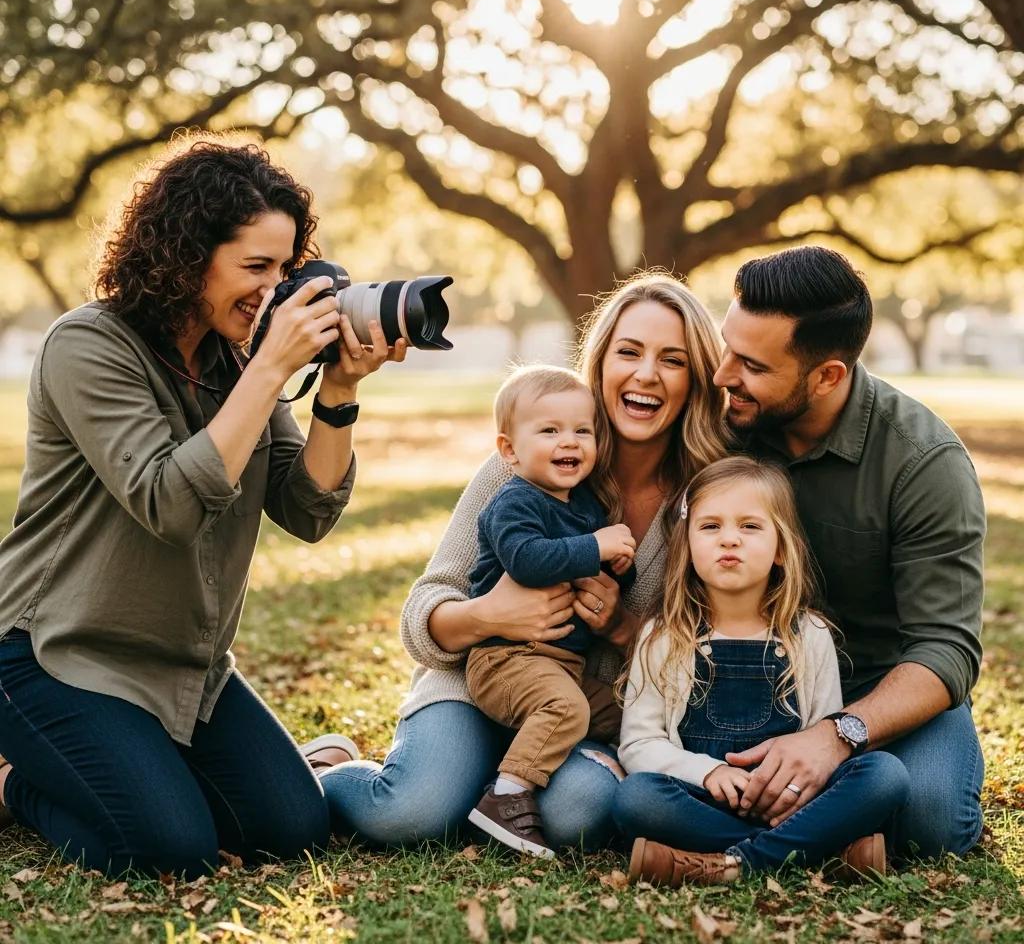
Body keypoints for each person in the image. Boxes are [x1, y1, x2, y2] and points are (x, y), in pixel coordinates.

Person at [0, 137, 403, 878]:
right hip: (55, 654)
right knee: (166, 850)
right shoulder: (87, 345)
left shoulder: (236, 359)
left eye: (285, 267)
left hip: (186, 664)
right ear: (187, 257)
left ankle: (133, 772)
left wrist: (338, 392)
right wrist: (273, 365)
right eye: (256, 267)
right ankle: (16, 782)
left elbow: (308, 508)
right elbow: (169, 502)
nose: (273, 288)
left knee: (291, 828)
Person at [312, 273, 731, 850]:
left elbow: (704, 651)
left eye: (673, 360)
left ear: (696, 379)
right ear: (601, 362)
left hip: (571, 707)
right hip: (474, 678)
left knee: (583, 812)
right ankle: (327, 772)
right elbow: (424, 611)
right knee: (409, 814)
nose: (646, 375)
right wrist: (491, 616)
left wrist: (621, 626)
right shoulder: (529, 461)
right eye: (628, 352)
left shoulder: (710, 497)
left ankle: (489, 789)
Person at [704, 245, 985, 861]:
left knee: (934, 823)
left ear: (828, 375)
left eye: (751, 364)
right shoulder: (724, 420)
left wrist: (837, 735)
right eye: (727, 347)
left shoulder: (923, 463)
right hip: (746, 674)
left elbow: (947, 648)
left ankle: (802, 816)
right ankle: (832, 829)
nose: (723, 375)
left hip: (880, 688)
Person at [614, 456, 910, 885]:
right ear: (688, 543)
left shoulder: (809, 635)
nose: (729, 540)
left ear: (781, 549)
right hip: (703, 798)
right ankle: (817, 851)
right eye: (710, 526)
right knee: (636, 798)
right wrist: (709, 772)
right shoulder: (664, 636)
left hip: (794, 800)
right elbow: (639, 744)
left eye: (750, 527)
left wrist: (795, 793)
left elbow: (822, 740)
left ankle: (730, 865)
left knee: (884, 775)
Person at [463, 364, 636, 858]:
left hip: (563, 664)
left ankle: (645, 778)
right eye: (551, 431)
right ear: (509, 451)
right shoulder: (514, 503)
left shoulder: (583, 506)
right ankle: (508, 796)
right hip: (507, 659)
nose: (571, 442)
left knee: (623, 709)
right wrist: (594, 545)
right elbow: (527, 560)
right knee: (565, 709)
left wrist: (619, 567)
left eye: (583, 430)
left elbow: (594, 568)